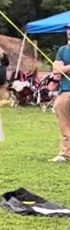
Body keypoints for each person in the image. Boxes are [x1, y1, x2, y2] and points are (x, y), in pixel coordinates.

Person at [51, 27, 70, 162]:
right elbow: (57, 70)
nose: (69, 32)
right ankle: (66, 154)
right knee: (65, 124)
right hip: (65, 92)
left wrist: (65, 68)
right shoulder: (63, 50)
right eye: (68, 29)